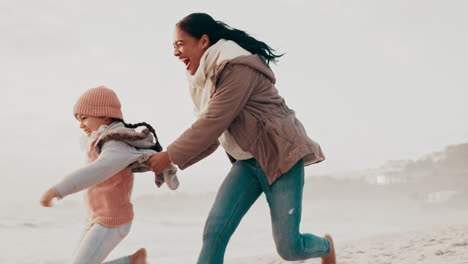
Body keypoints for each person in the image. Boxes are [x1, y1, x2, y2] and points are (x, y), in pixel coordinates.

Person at [147, 13, 336, 264]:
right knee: (215, 231)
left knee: (290, 249)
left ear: (203, 41)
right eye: (173, 46)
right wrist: (169, 161)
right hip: (247, 162)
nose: (175, 52)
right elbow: (213, 134)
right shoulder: (207, 79)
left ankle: (325, 247)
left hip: (282, 157)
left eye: (180, 44)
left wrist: (169, 154)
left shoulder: (237, 67)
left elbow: (213, 122)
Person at [40, 86, 178, 264]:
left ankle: (132, 262)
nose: (81, 125)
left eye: (84, 118)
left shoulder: (115, 145)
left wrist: (59, 189)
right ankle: (133, 261)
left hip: (112, 220)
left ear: (104, 115)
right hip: (96, 217)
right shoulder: (102, 140)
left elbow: (96, 171)